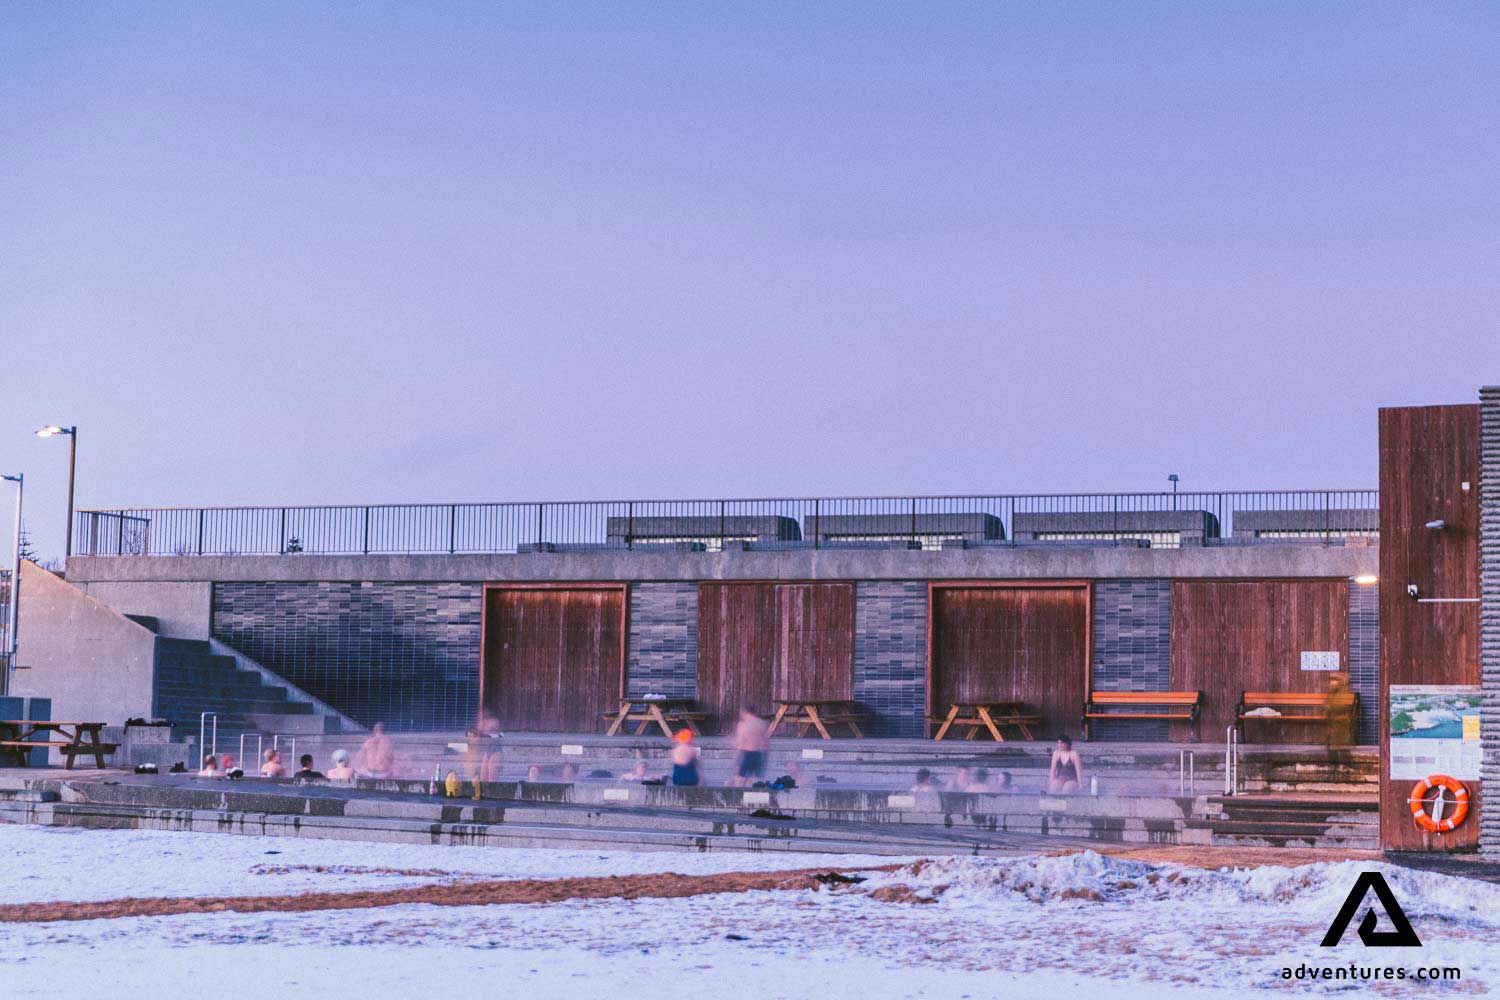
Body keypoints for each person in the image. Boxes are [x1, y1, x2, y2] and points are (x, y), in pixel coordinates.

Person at [730, 706, 769, 788]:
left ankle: (738, 799)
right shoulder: (761, 723)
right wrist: (765, 758)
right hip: (758, 754)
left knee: (739, 780)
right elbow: (766, 743)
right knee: (756, 780)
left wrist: (731, 740)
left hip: (746, 754)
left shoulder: (743, 725)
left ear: (744, 712)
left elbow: (740, 742)